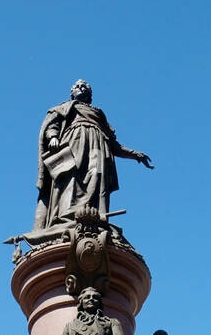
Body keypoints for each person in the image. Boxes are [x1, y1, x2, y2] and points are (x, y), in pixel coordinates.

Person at [34, 80, 153, 229]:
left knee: (96, 176)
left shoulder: (98, 113)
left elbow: (114, 145)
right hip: (74, 143)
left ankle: (93, 215)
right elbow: (52, 125)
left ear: (90, 94)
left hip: (98, 147)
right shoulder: (65, 108)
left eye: (84, 87)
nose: (81, 88)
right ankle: (67, 216)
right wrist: (53, 137)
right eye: (77, 86)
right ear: (72, 92)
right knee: (72, 178)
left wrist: (135, 155)